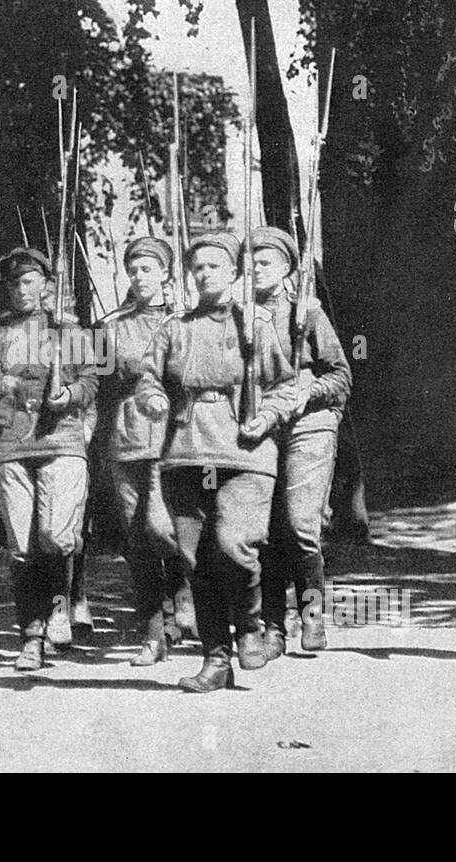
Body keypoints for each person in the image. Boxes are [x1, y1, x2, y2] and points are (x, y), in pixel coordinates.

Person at [136, 232, 298, 692]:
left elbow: (287, 386)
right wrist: (151, 398)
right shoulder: (175, 326)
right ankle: (215, 658)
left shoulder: (255, 326)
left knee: (233, 544)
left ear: (233, 273)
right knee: (196, 561)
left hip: (244, 452)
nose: (204, 274)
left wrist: (266, 414)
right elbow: (148, 375)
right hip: (186, 451)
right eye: (198, 268)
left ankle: (249, 626)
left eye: (214, 266)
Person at [0, 247, 99, 671]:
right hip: (11, 443)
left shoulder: (70, 329)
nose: (21, 289)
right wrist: (3, 382)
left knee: (57, 536)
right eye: (14, 282)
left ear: (45, 284)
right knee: (22, 547)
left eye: (29, 281)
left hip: (61, 439)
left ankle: (62, 607)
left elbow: (91, 380)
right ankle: (31, 636)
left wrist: (71, 395)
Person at [250, 227, 352, 658]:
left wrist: (307, 392)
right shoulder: (242, 316)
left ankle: (311, 617)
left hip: (310, 423)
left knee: (299, 526)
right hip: (261, 425)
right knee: (266, 529)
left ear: (288, 267)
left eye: (265, 262)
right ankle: (273, 626)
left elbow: (341, 375)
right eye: (250, 262)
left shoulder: (307, 313)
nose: (255, 269)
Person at [95, 236, 194, 666]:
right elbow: (92, 382)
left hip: (174, 437)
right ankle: (154, 633)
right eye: (133, 269)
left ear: (166, 274)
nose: (139, 277)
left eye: (148, 269)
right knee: (137, 539)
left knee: (168, 529)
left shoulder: (183, 320)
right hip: (126, 437)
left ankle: (184, 596)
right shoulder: (110, 325)